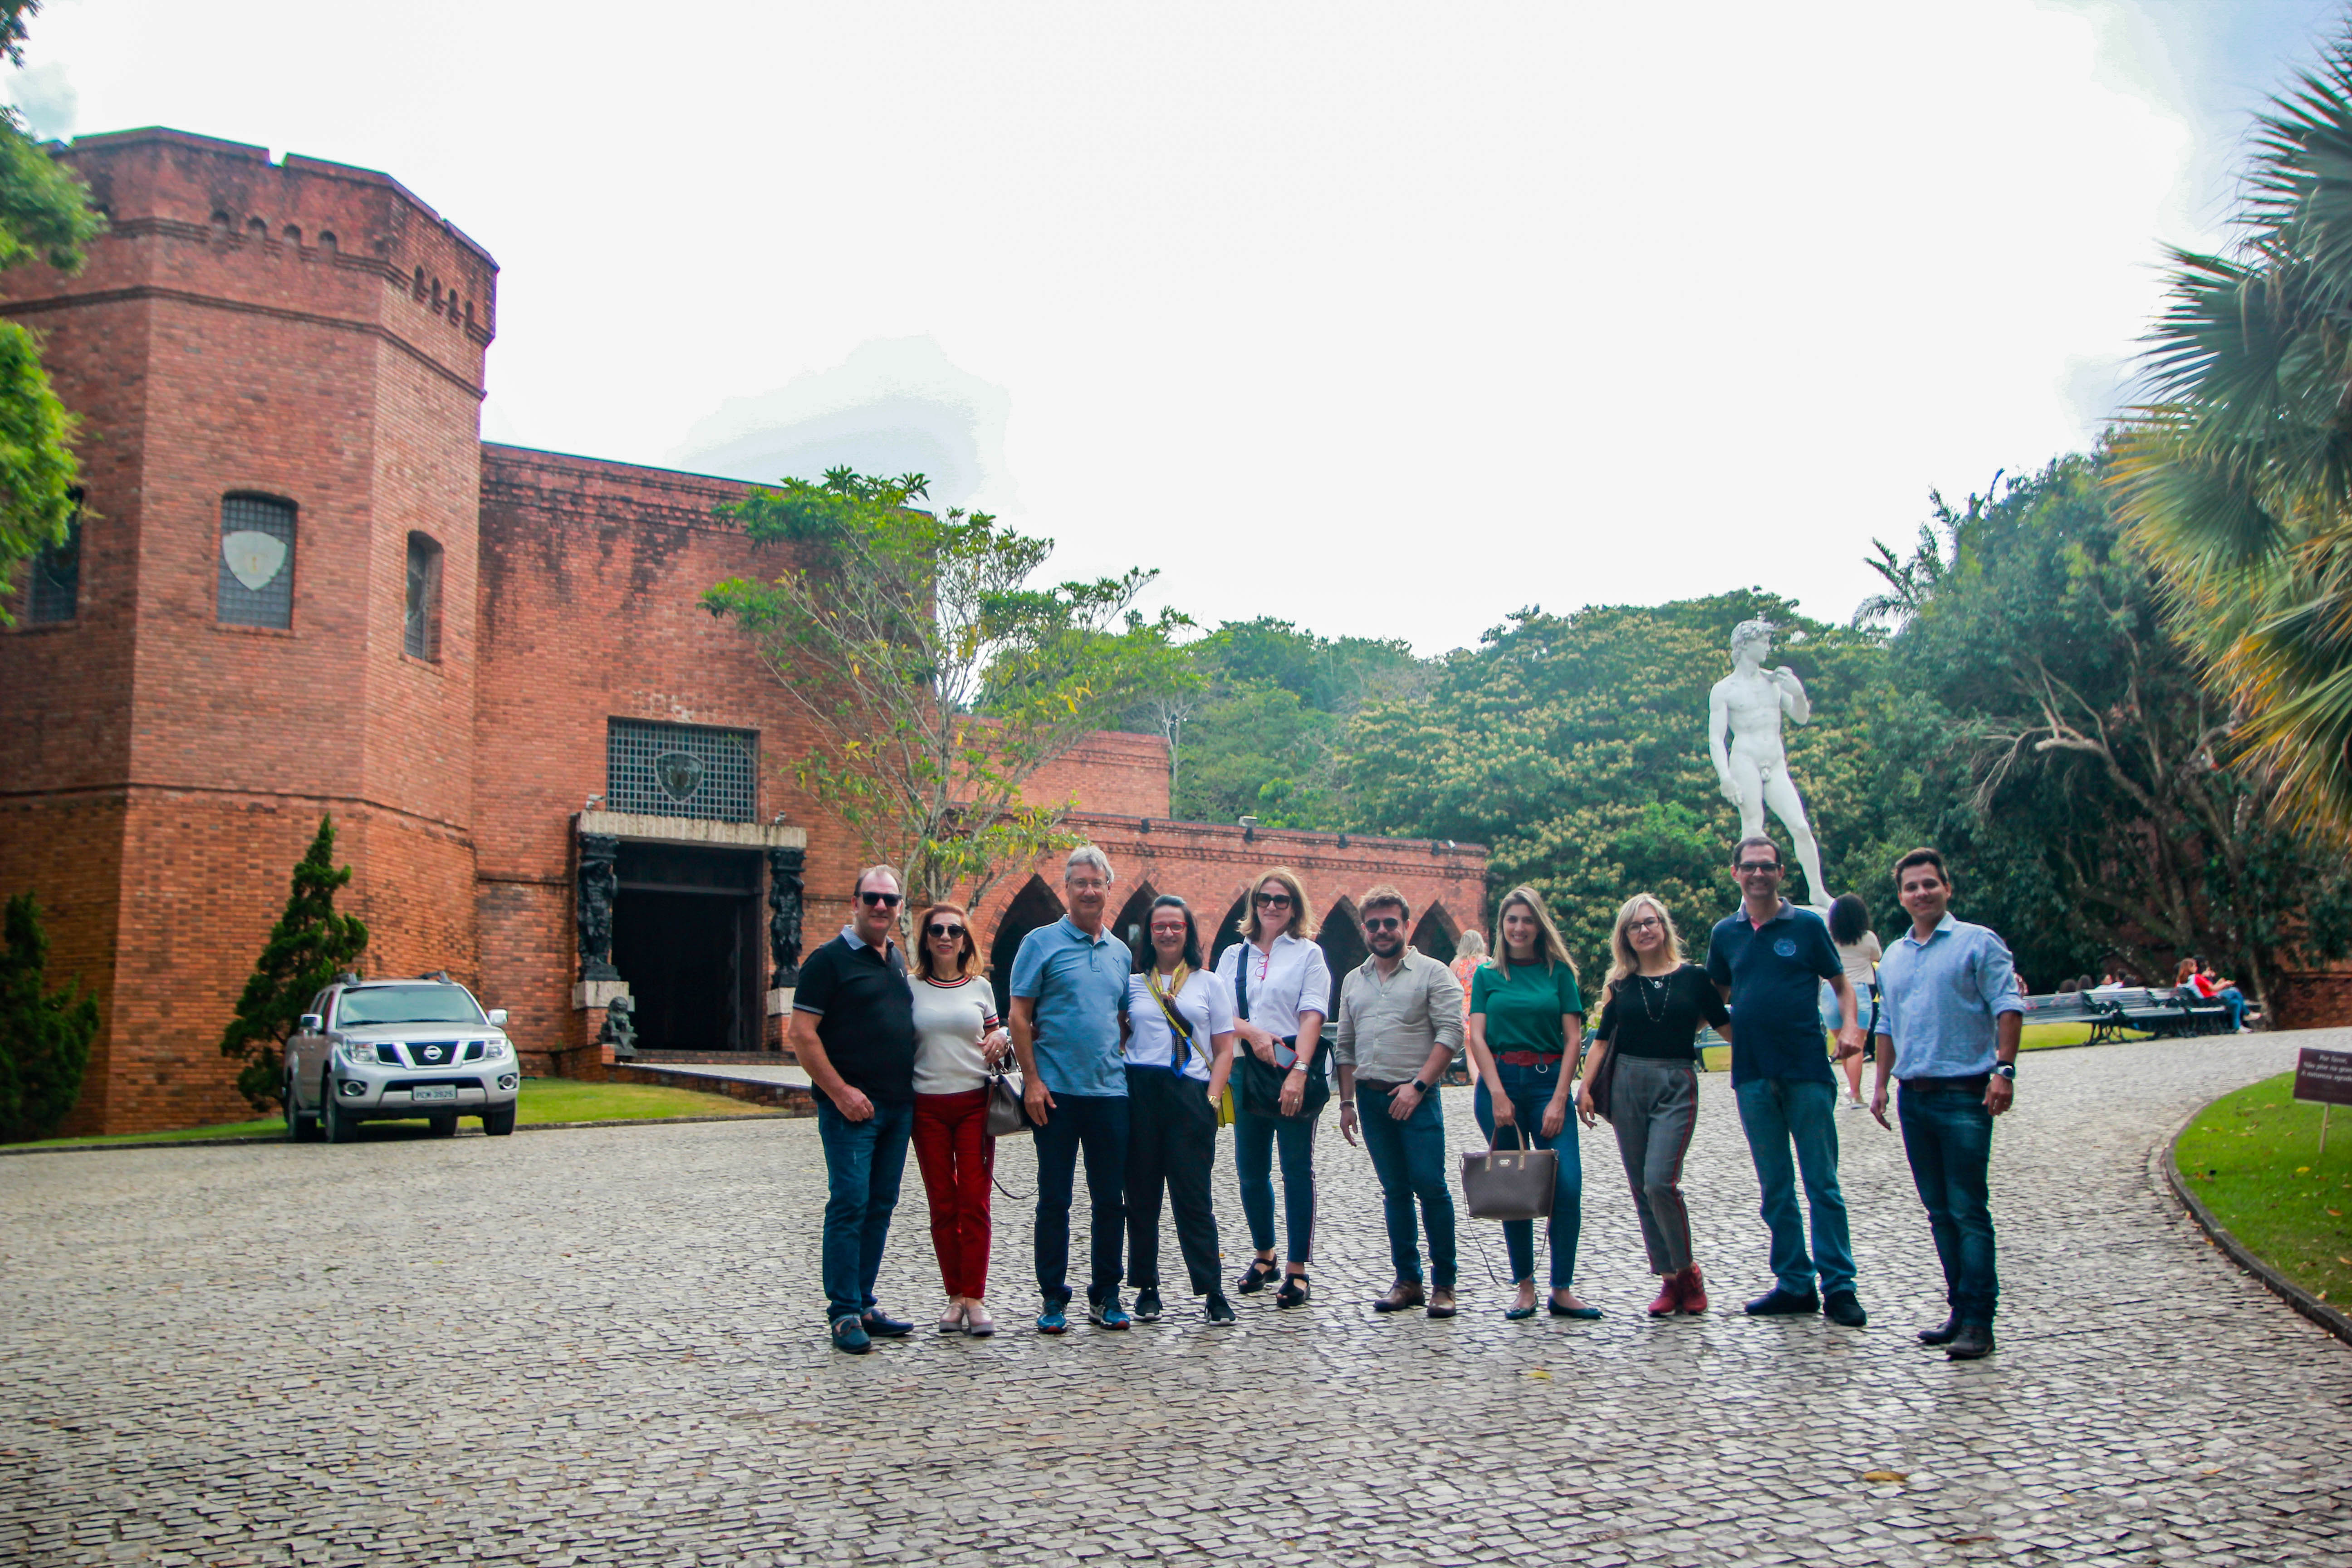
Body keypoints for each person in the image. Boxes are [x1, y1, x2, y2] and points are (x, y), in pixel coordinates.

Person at [1706, 835, 1869, 1327]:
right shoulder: (1726, 934)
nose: (1758, 874)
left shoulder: (1807, 925)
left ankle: (1839, 1284)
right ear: (1734, 872)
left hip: (1805, 1070)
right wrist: (1736, 1034)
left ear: (1781, 872)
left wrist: (1852, 1028)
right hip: (1752, 1074)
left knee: (1822, 1182)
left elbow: (1841, 983)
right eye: (1749, 867)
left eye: (1767, 866)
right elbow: (1713, 996)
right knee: (1775, 1186)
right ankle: (1794, 1282)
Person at [1869, 847, 2024, 1362]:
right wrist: (1880, 1085)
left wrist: (2004, 1070)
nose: (1921, 893)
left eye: (1930, 884)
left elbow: (2007, 1006)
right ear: (1901, 897)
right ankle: (1959, 1309)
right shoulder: (1892, 955)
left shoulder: (1977, 943)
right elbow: (1887, 1024)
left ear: (1947, 888)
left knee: (1967, 1209)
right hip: (1915, 1097)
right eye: (1912, 887)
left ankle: (1981, 1319)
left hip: (1964, 1093)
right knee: (1939, 1212)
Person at [1578, 893, 1731, 1317]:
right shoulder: (1621, 986)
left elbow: (1727, 1027)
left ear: (1664, 926)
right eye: (1634, 926)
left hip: (1676, 1081)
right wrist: (1585, 1086)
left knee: (1661, 1182)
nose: (1644, 931)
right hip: (1627, 1081)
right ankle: (1667, 1279)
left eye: (1650, 923)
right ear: (1624, 937)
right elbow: (1603, 1040)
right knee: (1640, 1186)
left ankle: (1688, 1271)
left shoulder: (1695, 978)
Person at [790, 865, 921, 1355]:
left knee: (881, 1205)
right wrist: (841, 1092)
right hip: (850, 1112)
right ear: (855, 902)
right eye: (872, 898)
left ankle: (864, 1302)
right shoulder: (827, 961)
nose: (881, 907)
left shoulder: (895, 961)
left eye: (890, 900)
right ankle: (843, 1312)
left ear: (900, 908)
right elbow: (802, 1036)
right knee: (849, 1204)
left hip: (897, 1107)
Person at [1008, 846, 1133, 1334]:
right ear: (1067, 888)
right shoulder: (1039, 944)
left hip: (1110, 1095)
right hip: (1055, 1094)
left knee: (1110, 1201)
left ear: (1108, 888)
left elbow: (1123, 1017)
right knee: (1054, 1199)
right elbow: (1020, 1016)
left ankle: (1106, 1294)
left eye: (1096, 882)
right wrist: (1033, 1081)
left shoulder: (1121, 952)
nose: (1088, 890)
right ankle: (1053, 1298)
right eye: (1079, 882)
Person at [1333, 883, 1467, 1318]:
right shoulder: (1355, 979)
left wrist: (1419, 1087)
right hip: (1371, 1101)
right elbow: (1346, 1046)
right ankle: (1407, 1281)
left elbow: (1451, 1033)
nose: (1382, 930)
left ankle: (1444, 1284)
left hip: (1417, 1097)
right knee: (1394, 1192)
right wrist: (1347, 1103)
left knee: (1430, 1186)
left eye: (1391, 923)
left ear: (1406, 926)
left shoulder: (1433, 973)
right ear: (1365, 930)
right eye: (1373, 925)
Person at [1467, 885, 1599, 1320]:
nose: (1519, 928)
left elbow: (1574, 1038)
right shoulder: (1487, 975)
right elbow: (1478, 1037)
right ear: (1501, 926)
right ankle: (1525, 1286)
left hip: (1548, 1083)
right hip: (1499, 1084)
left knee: (1568, 1183)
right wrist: (1498, 1092)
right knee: (1515, 1187)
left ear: (1538, 925)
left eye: (1527, 920)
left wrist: (1561, 1098)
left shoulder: (1558, 972)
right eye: (1511, 920)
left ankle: (1562, 1288)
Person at [1215, 867, 1333, 1308]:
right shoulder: (1232, 956)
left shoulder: (1308, 955)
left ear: (1294, 906)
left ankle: (1297, 1268)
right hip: (1246, 1069)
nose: (1271, 906)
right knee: (1250, 1170)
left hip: (1290, 1068)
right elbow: (1218, 1012)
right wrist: (1254, 1033)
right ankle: (1264, 1255)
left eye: (1281, 900)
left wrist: (1300, 1070)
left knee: (1297, 1170)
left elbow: (1312, 1014)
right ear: (1254, 904)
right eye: (1264, 898)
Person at [1122, 894, 1240, 1326]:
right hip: (1142, 1091)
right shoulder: (1133, 984)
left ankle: (1212, 1290)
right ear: (1148, 934)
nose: (1168, 932)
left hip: (1190, 1093)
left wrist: (1212, 1098)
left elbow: (1225, 1050)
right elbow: (1121, 1039)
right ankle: (1147, 1286)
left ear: (1188, 932)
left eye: (1177, 925)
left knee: (1193, 1198)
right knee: (1142, 1197)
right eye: (1160, 926)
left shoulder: (1209, 984)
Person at [908, 901, 1012, 1336]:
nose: (946, 937)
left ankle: (975, 1296)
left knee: (974, 1200)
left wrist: (1003, 1036)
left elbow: (995, 1033)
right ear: (926, 939)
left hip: (974, 1103)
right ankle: (954, 1296)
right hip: (927, 1106)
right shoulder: (910, 988)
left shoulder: (981, 988)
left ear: (966, 939)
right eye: (937, 931)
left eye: (954, 930)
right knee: (942, 1204)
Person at [1708, 619, 1833, 909]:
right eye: (1763, 641)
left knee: (1800, 826)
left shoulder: (1774, 682)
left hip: (1775, 762)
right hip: (1745, 759)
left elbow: (1801, 718)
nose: (1768, 647)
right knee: (1753, 829)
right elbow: (1716, 738)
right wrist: (1724, 776)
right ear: (1744, 645)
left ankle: (1817, 890)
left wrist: (1798, 692)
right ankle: (1748, 898)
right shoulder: (1725, 689)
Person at [1827, 893, 1882, 1111]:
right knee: (1857, 1045)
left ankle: (1852, 1089)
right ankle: (1856, 1094)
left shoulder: (1828, 937)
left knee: (1842, 1042)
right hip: (1859, 991)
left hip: (1830, 990)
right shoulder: (1868, 938)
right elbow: (1877, 957)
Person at [2183, 959, 2250, 1033]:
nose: (2196, 968)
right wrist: (2225, 984)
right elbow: (2214, 989)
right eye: (2194, 966)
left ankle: (2237, 1027)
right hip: (2210, 1000)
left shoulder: (2183, 980)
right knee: (2234, 991)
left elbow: (2206, 990)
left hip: (2201, 1002)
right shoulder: (2196, 977)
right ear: (2189, 968)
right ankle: (2247, 1013)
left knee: (2236, 1003)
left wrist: (2219, 984)